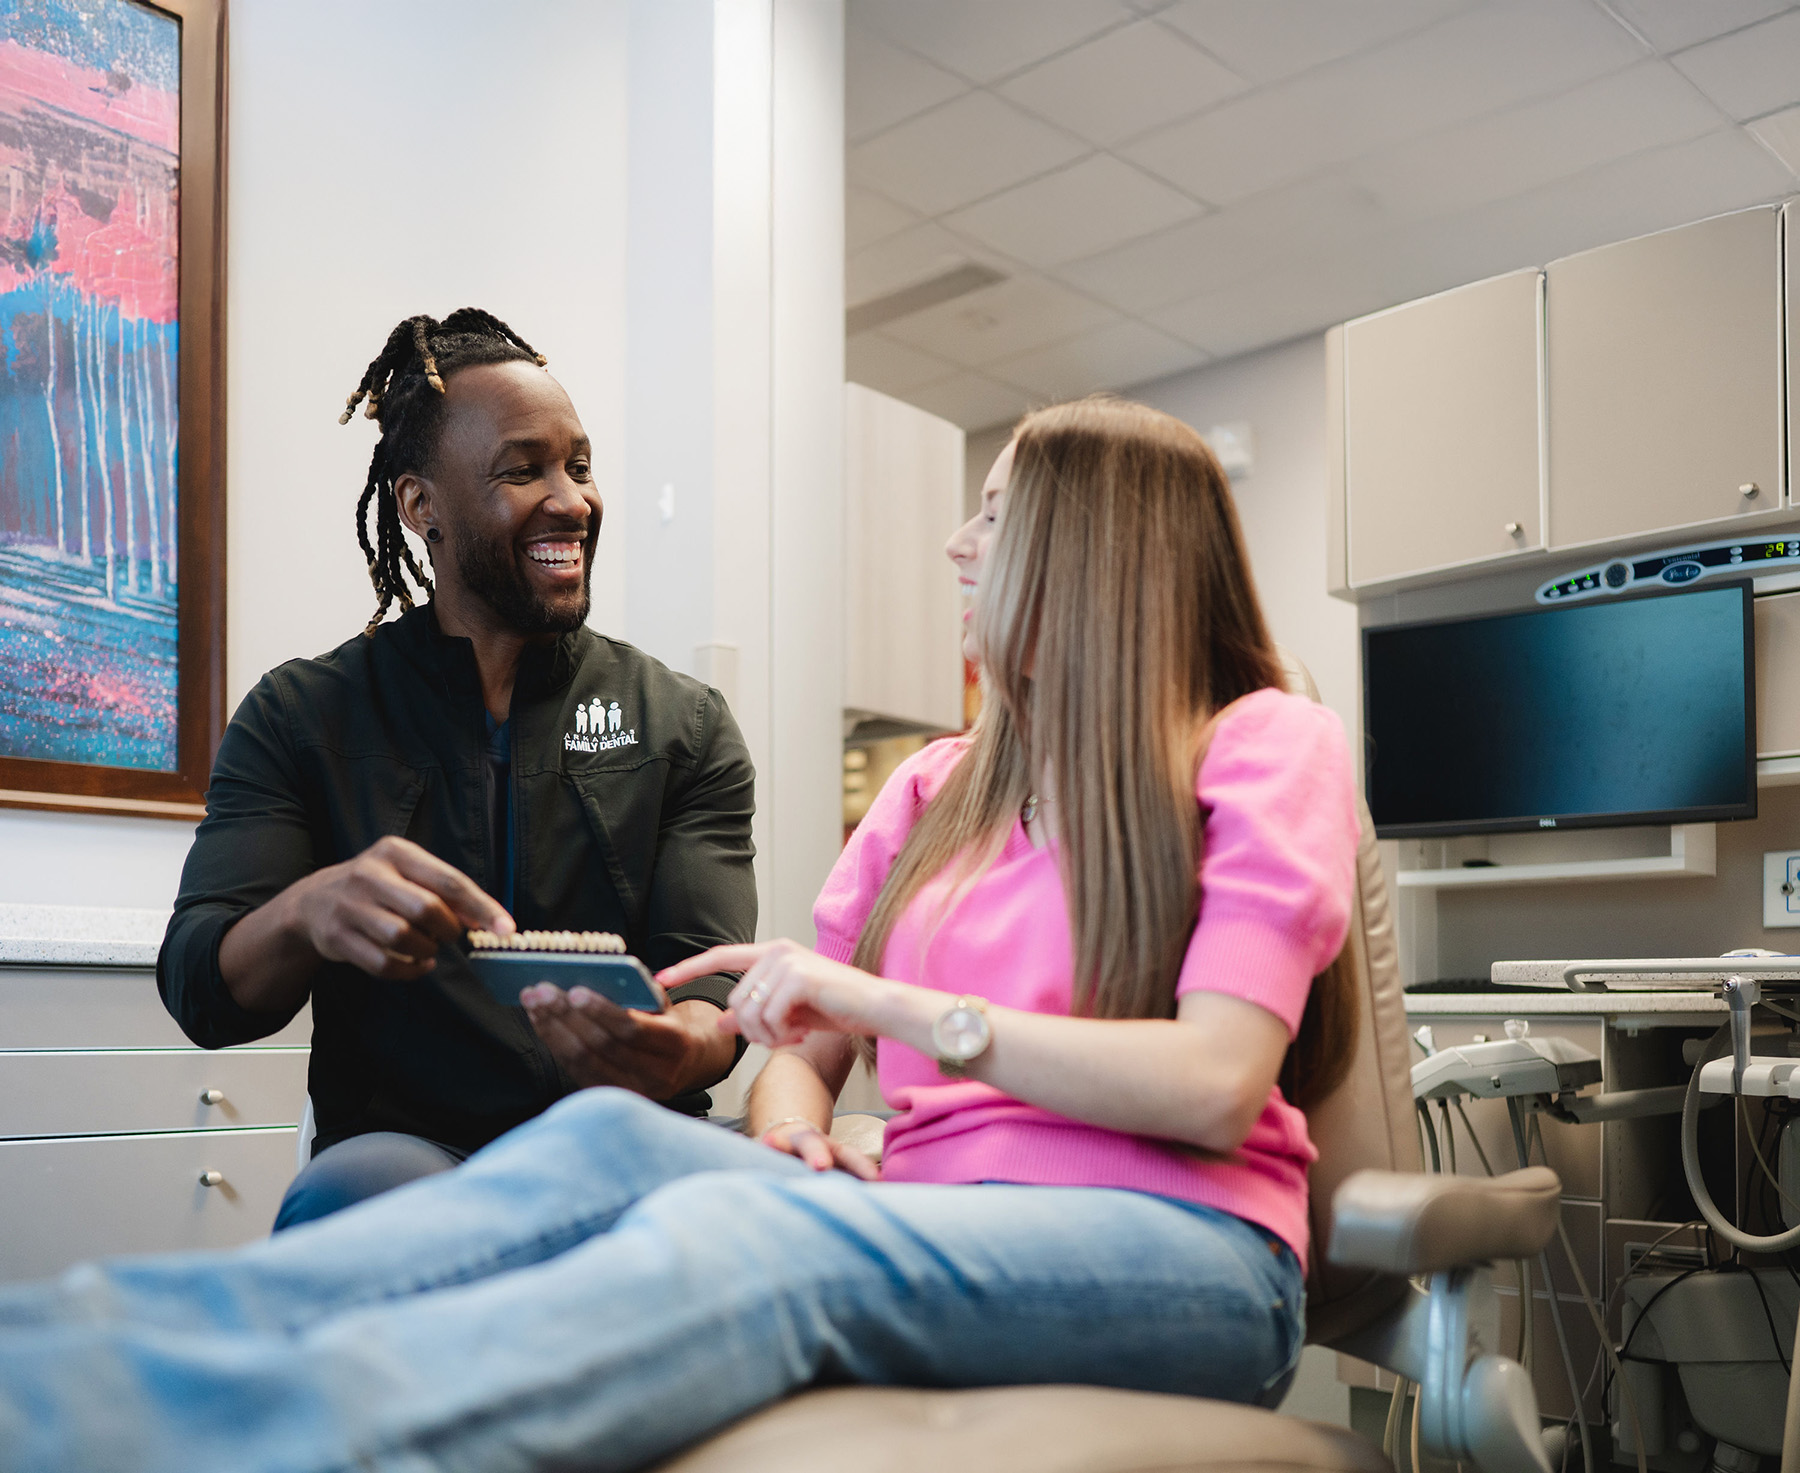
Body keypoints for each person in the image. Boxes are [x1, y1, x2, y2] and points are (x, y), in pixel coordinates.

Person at [2, 398, 1360, 1472]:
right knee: (602, 1141)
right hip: (926, 1211)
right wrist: (787, 1133)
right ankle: (45, 1372)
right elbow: (795, 1049)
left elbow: (1213, 1082)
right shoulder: (939, 790)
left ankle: (142, 1441)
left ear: (1093, 550)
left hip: (1181, 1249)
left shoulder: (1261, 744)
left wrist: (890, 1013)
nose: (958, 544)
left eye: (993, 517)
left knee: (747, 1249)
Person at [156, 309, 756, 1229]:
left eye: (580, 466)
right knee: (358, 1198)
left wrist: (681, 1047)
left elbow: (710, 979)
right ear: (418, 505)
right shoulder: (303, 716)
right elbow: (202, 983)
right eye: (524, 470)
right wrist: (309, 910)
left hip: (623, 1144)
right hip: (409, 1153)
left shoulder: (681, 724)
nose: (573, 501)